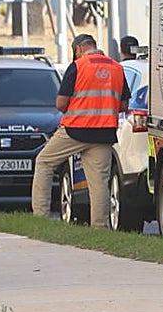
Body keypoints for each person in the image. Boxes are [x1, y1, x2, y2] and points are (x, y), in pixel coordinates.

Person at [30, 33, 130, 228]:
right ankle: (99, 227)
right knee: (99, 181)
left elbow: (60, 103)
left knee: (44, 162)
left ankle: (40, 217)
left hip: (75, 130)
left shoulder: (78, 66)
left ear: (78, 49)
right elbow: (124, 105)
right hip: (104, 133)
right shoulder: (117, 68)